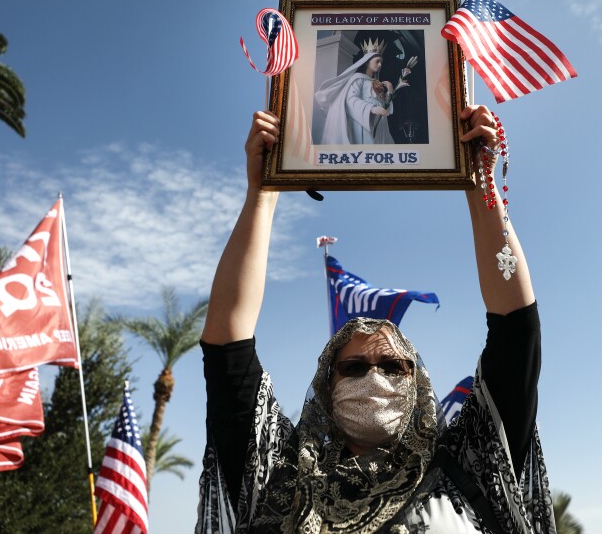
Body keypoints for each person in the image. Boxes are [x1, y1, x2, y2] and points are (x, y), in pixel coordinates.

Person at [195, 106, 555, 533]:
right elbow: (226, 345)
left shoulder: (472, 462)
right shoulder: (282, 480)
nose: (374, 377)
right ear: (328, 387)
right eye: (353, 367)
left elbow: (517, 326)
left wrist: (481, 184)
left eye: (391, 365)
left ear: (415, 379)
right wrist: (264, 190)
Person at [314, 38, 396, 145]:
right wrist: (372, 108)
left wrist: (389, 92)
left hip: (380, 123)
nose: (380, 65)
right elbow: (350, 99)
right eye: (377, 61)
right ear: (367, 62)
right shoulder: (358, 78)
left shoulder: (378, 83)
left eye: (381, 62)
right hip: (365, 120)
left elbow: (385, 106)